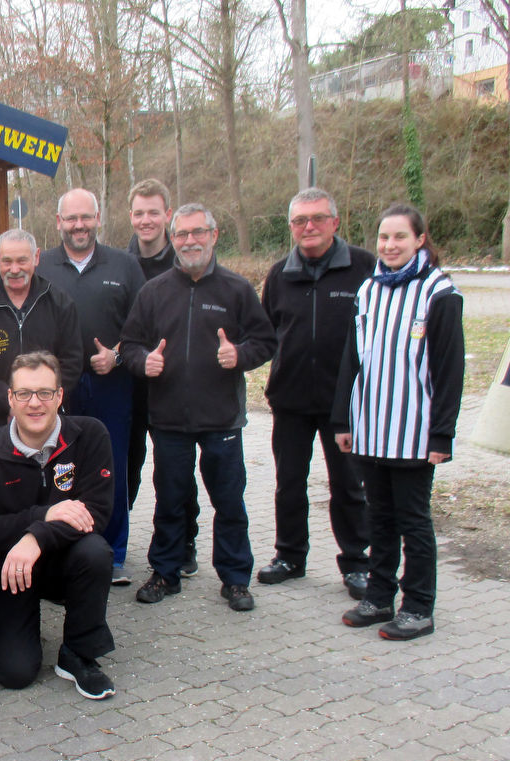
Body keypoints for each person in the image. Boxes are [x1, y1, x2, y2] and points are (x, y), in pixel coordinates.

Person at [120, 203, 276, 612]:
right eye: (182, 234)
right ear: (172, 239)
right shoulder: (154, 292)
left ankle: (235, 578)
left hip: (221, 418)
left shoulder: (236, 289)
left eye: (198, 232)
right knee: (169, 500)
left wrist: (240, 355)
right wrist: (144, 362)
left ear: (214, 235)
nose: (190, 241)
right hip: (168, 418)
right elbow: (130, 345)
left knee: (229, 501)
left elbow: (265, 341)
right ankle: (165, 572)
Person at [333, 204, 464, 640]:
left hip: (413, 432)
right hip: (371, 427)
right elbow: (352, 359)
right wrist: (343, 420)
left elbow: (450, 370)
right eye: (384, 238)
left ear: (420, 239)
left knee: (413, 522)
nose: (390, 246)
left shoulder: (439, 292)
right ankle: (379, 596)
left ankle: (419, 607)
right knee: (379, 519)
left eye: (400, 237)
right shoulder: (368, 290)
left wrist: (442, 434)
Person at [0, 351, 117, 699]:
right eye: (24, 394)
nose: (35, 403)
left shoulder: (91, 435)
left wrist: (35, 537)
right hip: (8, 569)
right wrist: (42, 516)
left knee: (95, 552)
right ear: (10, 398)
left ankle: (78, 654)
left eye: (45, 393)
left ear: (60, 396)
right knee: (15, 673)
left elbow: (96, 514)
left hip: (64, 560)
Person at [259, 188, 374, 600]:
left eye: (318, 218)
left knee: (348, 484)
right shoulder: (279, 275)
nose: (309, 227)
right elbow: (266, 331)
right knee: (289, 482)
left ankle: (357, 562)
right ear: (291, 227)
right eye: (299, 221)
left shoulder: (363, 267)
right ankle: (290, 555)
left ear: (335, 222)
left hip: (345, 402)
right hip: (290, 399)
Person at [38, 188, 145, 586]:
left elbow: (143, 323)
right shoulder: (42, 265)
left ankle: (112, 553)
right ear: (59, 222)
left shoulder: (125, 264)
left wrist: (117, 354)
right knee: (58, 464)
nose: (79, 225)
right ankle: (61, 545)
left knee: (109, 464)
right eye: (71, 218)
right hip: (57, 386)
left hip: (110, 383)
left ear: (98, 218)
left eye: (86, 217)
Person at [125, 178, 199, 578]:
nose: (146, 220)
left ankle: (185, 541)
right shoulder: (120, 263)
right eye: (139, 213)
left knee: (176, 470)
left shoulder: (186, 262)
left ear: (167, 215)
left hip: (175, 388)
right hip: (132, 383)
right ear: (130, 217)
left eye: (153, 212)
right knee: (130, 464)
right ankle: (119, 535)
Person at [0, 229, 83, 441]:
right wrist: (11, 404)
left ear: (36, 257)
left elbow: (72, 362)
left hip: (48, 419)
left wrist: (39, 402)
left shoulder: (60, 303)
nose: (14, 269)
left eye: (22, 260)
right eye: (7, 261)